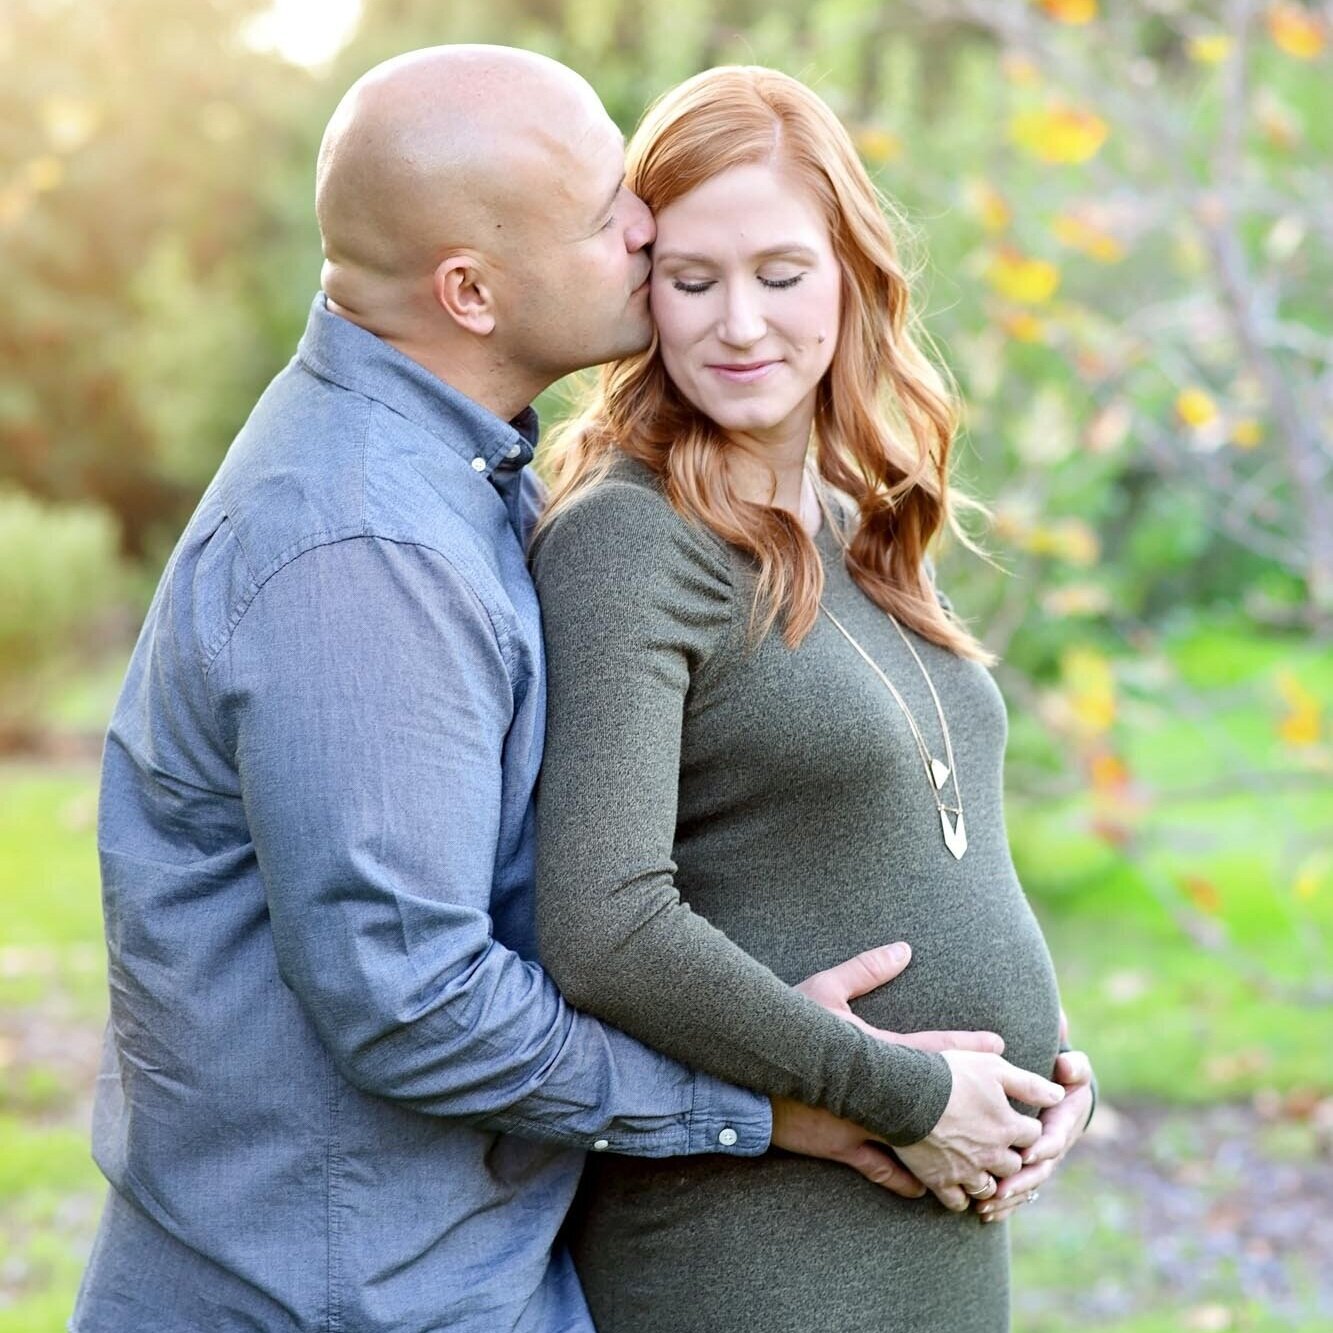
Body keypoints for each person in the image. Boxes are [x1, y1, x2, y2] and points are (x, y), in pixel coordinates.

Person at [70, 46, 1063, 1333]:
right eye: (614, 218)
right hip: (335, 1292)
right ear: (471, 291)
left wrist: (1012, 1075)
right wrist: (786, 1102)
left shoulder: (468, 486)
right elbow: (420, 1001)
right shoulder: (363, 547)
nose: (647, 232)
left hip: (446, 1265)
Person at [530, 65, 1098, 1332]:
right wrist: (902, 1090)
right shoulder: (632, 539)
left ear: (849, 270)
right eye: (692, 280)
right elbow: (603, 921)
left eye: (780, 274)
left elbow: (929, 849)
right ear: (644, 295)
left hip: (935, 1239)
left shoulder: (858, 526)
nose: (739, 324)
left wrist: (1053, 1073)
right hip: (754, 1254)